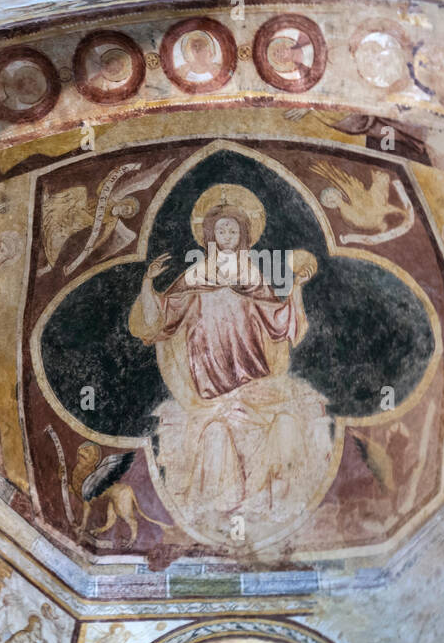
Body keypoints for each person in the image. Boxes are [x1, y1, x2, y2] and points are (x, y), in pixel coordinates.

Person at [128, 184, 332, 544]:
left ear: (243, 236)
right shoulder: (195, 274)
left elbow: (275, 317)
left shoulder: (253, 273)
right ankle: (220, 501)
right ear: (209, 235)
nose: (226, 235)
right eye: (220, 229)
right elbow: (164, 316)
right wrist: (148, 284)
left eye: (233, 230)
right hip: (206, 369)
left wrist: (296, 287)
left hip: (250, 362)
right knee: (218, 429)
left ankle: (262, 500)